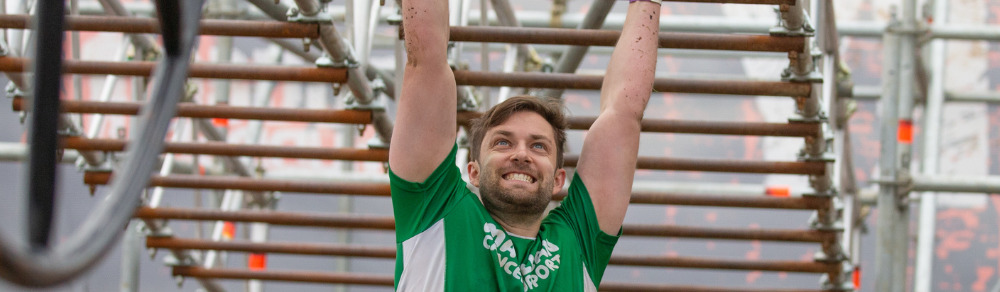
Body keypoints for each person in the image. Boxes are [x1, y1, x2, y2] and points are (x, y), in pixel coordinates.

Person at [387, 0, 661, 289]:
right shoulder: (436, 209)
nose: (521, 154)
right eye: (503, 142)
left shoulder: (577, 241)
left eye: (539, 146)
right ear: (474, 172)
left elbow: (624, 112)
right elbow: (426, 60)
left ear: (558, 179)